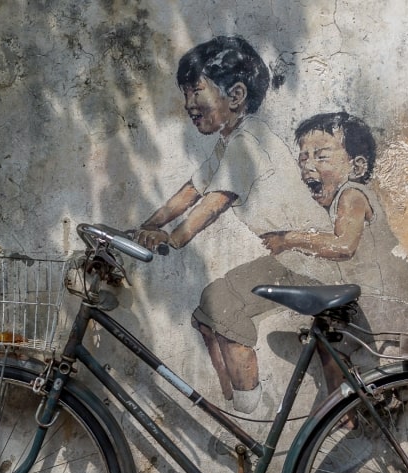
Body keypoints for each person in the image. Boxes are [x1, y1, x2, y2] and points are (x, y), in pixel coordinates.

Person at [135, 36, 321, 414]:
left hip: (308, 257)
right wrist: (141, 227)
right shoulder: (229, 141)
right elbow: (191, 191)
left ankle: (254, 414)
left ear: (235, 95)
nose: (189, 104)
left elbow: (215, 202)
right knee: (208, 314)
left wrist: (173, 238)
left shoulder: (250, 141)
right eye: (186, 93)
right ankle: (234, 406)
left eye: (196, 91)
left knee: (222, 305)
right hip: (289, 258)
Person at [262, 112, 408, 390]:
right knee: (329, 340)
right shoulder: (338, 200)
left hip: (388, 303)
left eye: (321, 156)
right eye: (303, 157)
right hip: (381, 301)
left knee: (327, 336)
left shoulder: (352, 193)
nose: (308, 166)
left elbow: (343, 246)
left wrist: (288, 239)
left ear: (357, 167)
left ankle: (343, 413)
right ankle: (347, 410)